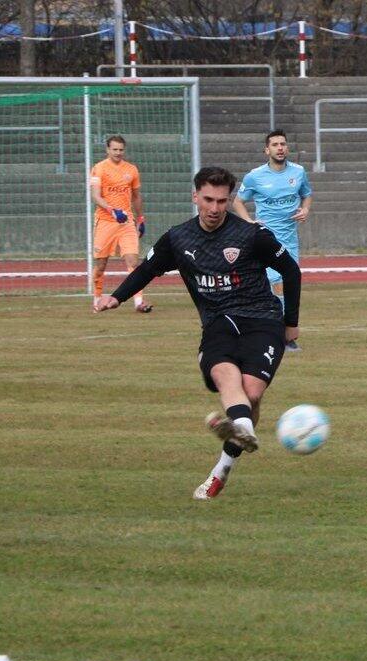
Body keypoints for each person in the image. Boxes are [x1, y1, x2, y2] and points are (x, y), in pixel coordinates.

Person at [95, 167, 302, 500]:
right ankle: (243, 429)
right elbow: (147, 269)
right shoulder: (179, 238)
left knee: (251, 394)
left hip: (263, 319)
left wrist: (291, 322)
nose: (215, 208)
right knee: (224, 375)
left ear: (229, 200)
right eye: (208, 200)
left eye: (221, 201)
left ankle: (222, 468)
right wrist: (116, 297)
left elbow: (291, 271)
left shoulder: (251, 235)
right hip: (218, 321)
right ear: (195, 197)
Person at [233, 130, 312, 350]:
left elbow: (307, 194)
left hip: (290, 240)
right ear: (266, 150)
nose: (280, 148)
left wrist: (305, 209)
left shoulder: (298, 172)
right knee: (276, 284)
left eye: (283, 144)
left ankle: (275, 332)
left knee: (284, 285)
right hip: (266, 240)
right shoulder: (255, 176)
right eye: (275, 144)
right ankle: (282, 335)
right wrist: (249, 222)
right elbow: (237, 202)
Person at [89, 135, 149, 312]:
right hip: (105, 222)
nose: (118, 152)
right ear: (107, 150)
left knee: (133, 262)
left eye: (121, 149)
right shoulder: (99, 168)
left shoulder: (131, 170)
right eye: (114, 149)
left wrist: (140, 218)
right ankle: (97, 298)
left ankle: (139, 302)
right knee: (101, 265)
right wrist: (112, 211)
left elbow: (136, 197)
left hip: (126, 222)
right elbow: (95, 196)